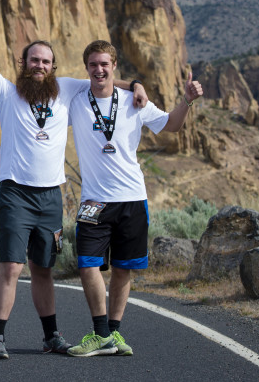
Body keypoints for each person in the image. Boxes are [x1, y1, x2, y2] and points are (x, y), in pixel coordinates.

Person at [0, 0, 148, 360]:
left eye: (45, 61)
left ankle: (51, 336)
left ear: (53, 67)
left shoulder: (67, 90)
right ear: (23, 65)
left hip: (51, 196)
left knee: (43, 269)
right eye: (33, 60)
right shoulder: (6, 92)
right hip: (15, 192)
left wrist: (134, 84)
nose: (39, 66)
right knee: (11, 267)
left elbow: (102, 80)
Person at [65, 39, 202, 357]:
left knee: (123, 269)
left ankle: (113, 334)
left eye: (104, 64)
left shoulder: (133, 101)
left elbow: (172, 125)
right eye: (93, 65)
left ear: (114, 67)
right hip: (93, 201)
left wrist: (187, 101)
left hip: (132, 198)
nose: (99, 70)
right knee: (87, 265)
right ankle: (100, 335)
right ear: (86, 68)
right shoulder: (75, 99)